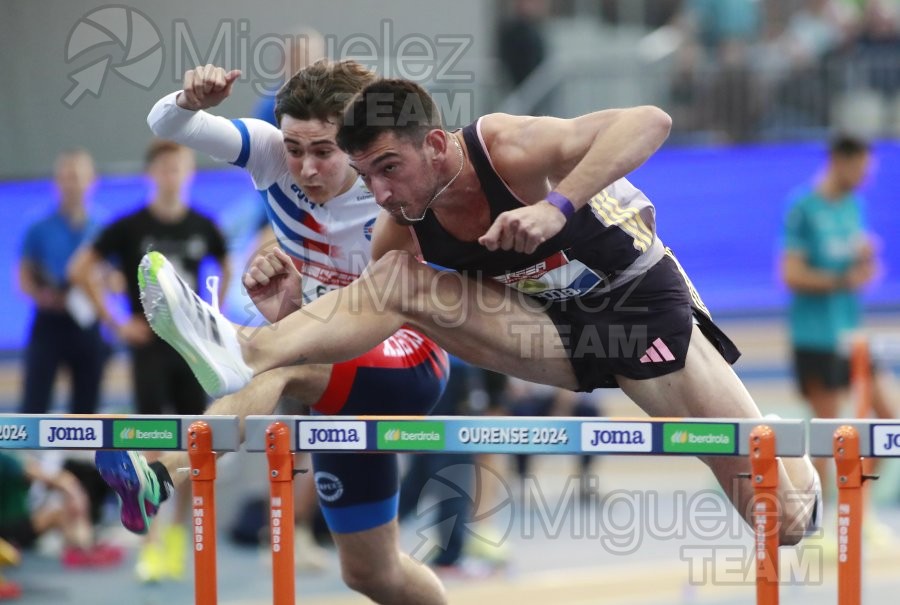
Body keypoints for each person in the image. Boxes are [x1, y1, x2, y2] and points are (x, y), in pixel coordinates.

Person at [137, 77, 821, 552]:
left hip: (637, 312)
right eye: (365, 174)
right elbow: (365, 310)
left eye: (388, 168)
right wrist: (288, 313)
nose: (379, 191)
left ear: (435, 146)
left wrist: (555, 206)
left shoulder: (507, 149)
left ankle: (780, 446)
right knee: (397, 279)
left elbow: (650, 121)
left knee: (782, 519)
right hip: (547, 332)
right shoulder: (401, 219)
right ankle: (244, 347)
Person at [96, 61, 451, 604]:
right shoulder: (267, 151)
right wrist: (191, 100)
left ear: (355, 143)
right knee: (372, 574)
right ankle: (236, 343)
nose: (305, 168)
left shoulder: (390, 180)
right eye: (294, 149)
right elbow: (167, 124)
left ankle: (162, 471)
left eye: (325, 152)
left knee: (277, 360)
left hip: (408, 355)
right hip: (329, 367)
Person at [68, 139, 229, 583]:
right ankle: (154, 542)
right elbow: (80, 270)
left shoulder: (205, 225)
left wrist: (215, 317)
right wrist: (117, 323)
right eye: (164, 169)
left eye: (179, 168)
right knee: (156, 442)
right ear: (151, 174)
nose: (172, 176)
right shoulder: (128, 227)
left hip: (193, 352)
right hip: (149, 350)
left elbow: (225, 265)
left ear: (189, 173)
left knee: (197, 443)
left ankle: (177, 539)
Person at [780, 134, 894, 498]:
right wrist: (843, 278)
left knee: (889, 421)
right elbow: (791, 275)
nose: (866, 176)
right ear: (840, 162)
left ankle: (856, 504)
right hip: (814, 335)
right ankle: (821, 520)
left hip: (851, 335)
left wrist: (865, 260)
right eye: (861, 168)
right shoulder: (804, 208)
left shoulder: (854, 206)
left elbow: (859, 270)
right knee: (827, 437)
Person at [18, 149, 109, 415]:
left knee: (87, 401)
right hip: (50, 320)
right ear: (57, 182)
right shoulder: (39, 228)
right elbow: (23, 275)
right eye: (66, 177)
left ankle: (79, 457)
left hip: (86, 319)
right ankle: (30, 456)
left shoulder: (103, 228)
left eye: (78, 177)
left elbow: (114, 277)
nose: (72, 184)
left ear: (92, 181)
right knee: (35, 398)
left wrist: (100, 289)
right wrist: (40, 295)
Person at [0, 452, 122, 568]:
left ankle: (83, 548)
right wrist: (76, 494)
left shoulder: (11, 458)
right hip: (7, 530)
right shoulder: (7, 460)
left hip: (15, 524)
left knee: (61, 508)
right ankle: (83, 550)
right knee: (59, 513)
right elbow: (61, 481)